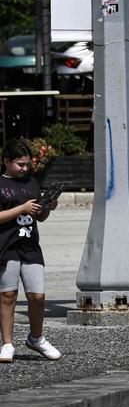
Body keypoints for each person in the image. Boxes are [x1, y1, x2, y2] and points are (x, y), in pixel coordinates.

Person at [0, 139, 60, 362]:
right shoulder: (1, 183)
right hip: (6, 246)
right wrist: (21, 209)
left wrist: (47, 208)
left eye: (27, 164)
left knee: (38, 296)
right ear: (6, 161)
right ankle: (7, 344)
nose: (25, 169)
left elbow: (39, 217)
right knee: (7, 295)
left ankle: (36, 338)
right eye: (20, 164)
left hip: (30, 246)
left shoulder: (32, 183)